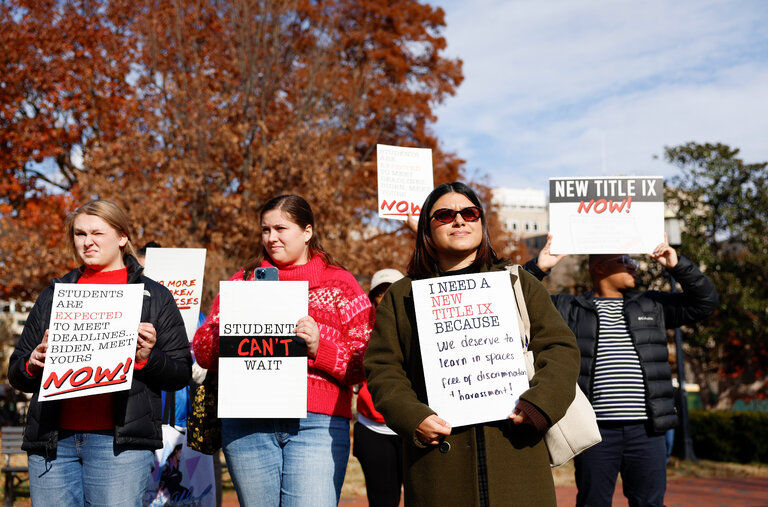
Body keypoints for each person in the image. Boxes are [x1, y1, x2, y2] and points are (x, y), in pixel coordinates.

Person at [364, 182, 580, 507]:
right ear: (426, 227)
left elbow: (560, 350)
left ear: (481, 223)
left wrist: (539, 404)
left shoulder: (518, 281)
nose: (459, 221)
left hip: (517, 458)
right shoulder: (401, 294)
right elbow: (383, 369)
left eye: (469, 212)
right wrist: (413, 417)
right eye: (445, 215)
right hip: (437, 468)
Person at [7, 200, 192, 506]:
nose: (87, 241)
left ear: (122, 237)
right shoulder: (54, 295)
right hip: (53, 446)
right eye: (79, 234)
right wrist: (33, 362)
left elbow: (180, 373)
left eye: (97, 233)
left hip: (120, 447)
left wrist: (146, 359)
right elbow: (17, 372)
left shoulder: (155, 296)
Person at [193, 194, 374, 507]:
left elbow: (365, 363)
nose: (271, 237)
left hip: (316, 425)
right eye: (265, 230)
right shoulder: (243, 282)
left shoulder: (341, 285)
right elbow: (203, 353)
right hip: (247, 423)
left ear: (307, 232)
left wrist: (320, 347)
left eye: (280, 228)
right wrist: (226, 331)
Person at [524, 234, 718, 507]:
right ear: (600, 267)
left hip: (647, 431)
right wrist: (540, 266)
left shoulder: (653, 304)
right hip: (595, 433)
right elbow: (514, 306)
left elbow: (705, 302)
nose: (633, 266)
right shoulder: (568, 307)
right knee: (593, 503)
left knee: (649, 503)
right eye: (624, 260)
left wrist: (677, 265)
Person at [353, 268, 405, 507]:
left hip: (413, 428)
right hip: (374, 429)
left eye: (392, 289)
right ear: (372, 298)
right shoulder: (361, 331)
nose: (386, 296)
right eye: (380, 292)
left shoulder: (420, 323)